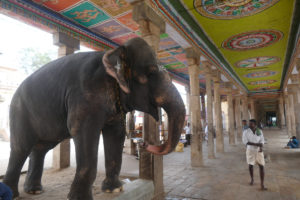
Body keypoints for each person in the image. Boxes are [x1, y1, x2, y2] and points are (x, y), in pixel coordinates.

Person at [242, 119, 267, 190]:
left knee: (261, 166)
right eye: (249, 124)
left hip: (258, 150)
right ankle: (252, 179)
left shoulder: (259, 131)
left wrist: (261, 145)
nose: (249, 125)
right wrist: (256, 144)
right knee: (250, 165)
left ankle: (262, 184)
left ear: (255, 124)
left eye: (251, 124)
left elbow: (262, 140)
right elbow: (245, 141)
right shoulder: (246, 132)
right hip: (250, 150)